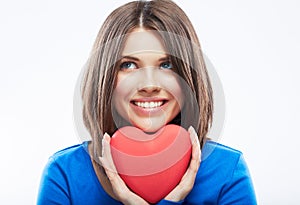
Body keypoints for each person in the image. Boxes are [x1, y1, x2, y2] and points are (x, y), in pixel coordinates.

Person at [37, 0, 257, 204]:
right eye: (129, 65)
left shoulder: (227, 172)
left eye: (166, 65)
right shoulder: (64, 175)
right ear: (104, 78)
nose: (149, 85)